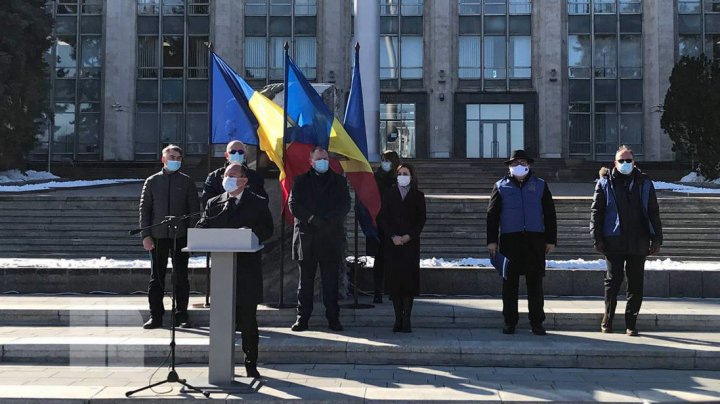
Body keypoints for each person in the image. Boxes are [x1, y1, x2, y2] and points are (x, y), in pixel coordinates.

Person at [196, 163, 273, 378]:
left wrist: (250, 232)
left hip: (247, 270)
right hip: (222, 272)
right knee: (222, 320)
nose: (227, 178)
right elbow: (203, 226)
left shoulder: (257, 203)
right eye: (225, 175)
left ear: (244, 180)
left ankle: (250, 362)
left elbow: (268, 229)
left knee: (248, 320)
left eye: (232, 175)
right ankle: (222, 362)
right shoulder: (214, 202)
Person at [590, 145, 662, 337]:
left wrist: (657, 238)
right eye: (621, 161)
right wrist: (596, 237)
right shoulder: (605, 182)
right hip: (614, 239)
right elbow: (597, 212)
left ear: (634, 162)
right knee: (613, 281)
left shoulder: (644, 182)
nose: (625, 164)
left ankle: (631, 323)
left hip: (639, 239)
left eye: (628, 160)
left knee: (636, 283)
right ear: (615, 163)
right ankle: (608, 320)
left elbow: (653, 211)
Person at [487, 150, 557, 336]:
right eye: (515, 162)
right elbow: (492, 216)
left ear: (529, 165)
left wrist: (551, 240)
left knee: (535, 284)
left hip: (535, 240)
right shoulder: (500, 186)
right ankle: (510, 321)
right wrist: (492, 241)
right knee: (510, 284)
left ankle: (537, 322)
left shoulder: (540, 185)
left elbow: (550, 214)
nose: (519, 165)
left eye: (523, 162)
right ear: (510, 166)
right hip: (510, 240)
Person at [288, 146, 351, 332]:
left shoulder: (339, 181)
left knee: (331, 283)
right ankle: (302, 318)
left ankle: (333, 318)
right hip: (307, 239)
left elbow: (345, 204)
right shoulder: (300, 181)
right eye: (319, 158)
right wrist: (312, 219)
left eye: (325, 158)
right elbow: (294, 204)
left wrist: (328, 220)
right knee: (305, 284)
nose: (322, 161)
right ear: (311, 161)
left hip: (330, 237)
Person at [139, 144, 200, 329]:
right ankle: (156, 315)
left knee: (181, 277)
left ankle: (181, 315)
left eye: (178, 157)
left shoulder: (187, 181)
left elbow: (194, 211)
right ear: (163, 159)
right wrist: (146, 235)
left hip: (180, 236)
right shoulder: (152, 181)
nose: (174, 160)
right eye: (171, 156)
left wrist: (192, 235)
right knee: (156, 278)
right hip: (157, 236)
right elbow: (145, 209)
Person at [379, 164, 426, 333]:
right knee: (395, 283)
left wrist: (409, 236)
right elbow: (382, 218)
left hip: (410, 245)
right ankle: (397, 318)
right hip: (393, 245)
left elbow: (421, 220)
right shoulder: (389, 194)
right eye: (399, 173)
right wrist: (393, 236)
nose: (402, 176)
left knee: (408, 283)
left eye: (405, 173)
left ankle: (407, 319)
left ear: (411, 176)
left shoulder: (418, 196)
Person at [367, 150, 401, 303]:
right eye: (383, 160)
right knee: (379, 259)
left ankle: (393, 290)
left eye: (387, 160)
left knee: (396, 260)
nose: (385, 163)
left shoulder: (400, 177)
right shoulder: (376, 177)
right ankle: (377, 292)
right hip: (380, 222)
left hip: (397, 223)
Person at [201, 140, 267, 209]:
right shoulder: (214, 177)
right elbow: (207, 203)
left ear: (244, 155)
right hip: (222, 217)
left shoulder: (255, 177)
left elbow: (263, 201)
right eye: (233, 152)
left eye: (240, 152)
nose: (237, 154)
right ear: (226, 155)